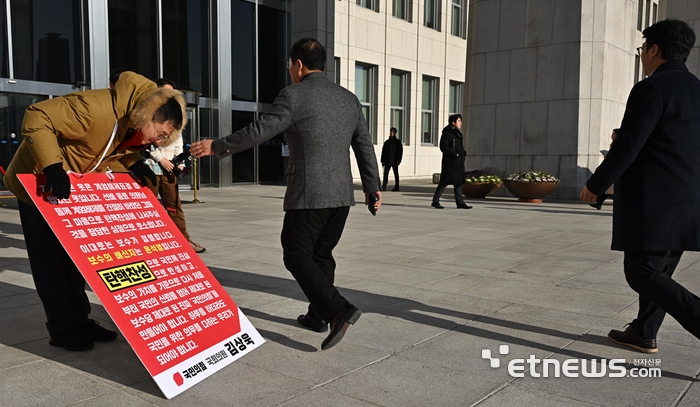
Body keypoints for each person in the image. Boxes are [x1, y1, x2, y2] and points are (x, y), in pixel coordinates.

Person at [190, 38, 382, 350]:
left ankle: (337, 310)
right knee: (321, 254)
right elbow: (364, 144)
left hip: (309, 192)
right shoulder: (349, 99)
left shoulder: (294, 95)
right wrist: (372, 186)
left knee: (295, 252)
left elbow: (259, 131)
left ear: (298, 65)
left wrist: (217, 145)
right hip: (342, 195)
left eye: (290, 66)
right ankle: (318, 316)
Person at [3, 71, 187, 351]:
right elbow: (37, 115)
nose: (158, 141)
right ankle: (61, 327)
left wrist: (134, 162)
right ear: (148, 116)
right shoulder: (96, 109)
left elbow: (107, 149)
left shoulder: (130, 121)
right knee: (49, 260)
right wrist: (52, 165)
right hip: (37, 184)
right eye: (159, 133)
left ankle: (81, 319)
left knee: (74, 258)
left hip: (70, 188)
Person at [580, 19, 700, 353]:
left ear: (654, 49)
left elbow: (629, 146)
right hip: (689, 200)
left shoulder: (652, 88)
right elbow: (672, 141)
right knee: (659, 272)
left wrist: (597, 185)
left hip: (656, 202)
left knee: (642, 273)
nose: (642, 57)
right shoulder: (696, 89)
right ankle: (643, 331)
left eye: (642, 49)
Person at [143, 78, 206, 253]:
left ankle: (184, 241)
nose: (169, 95)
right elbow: (145, 141)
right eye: (164, 91)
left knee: (174, 207)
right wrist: (160, 159)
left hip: (170, 169)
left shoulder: (176, 114)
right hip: (151, 167)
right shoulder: (148, 112)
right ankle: (149, 244)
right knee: (149, 208)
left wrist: (180, 162)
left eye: (172, 92)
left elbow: (178, 141)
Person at [431, 114, 471, 209]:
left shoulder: (458, 134)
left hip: (458, 163)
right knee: (444, 182)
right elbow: (443, 147)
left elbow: (459, 146)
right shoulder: (447, 134)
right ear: (453, 122)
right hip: (450, 163)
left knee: (458, 183)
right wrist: (455, 153)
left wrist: (463, 152)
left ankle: (460, 203)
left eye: (460, 121)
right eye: (459, 121)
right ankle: (435, 201)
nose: (460, 123)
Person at [589, 128, 618, 210]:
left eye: (613, 134)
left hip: (615, 171)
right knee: (608, 188)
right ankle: (599, 202)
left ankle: (599, 202)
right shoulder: (614, 144)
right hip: (612, 171)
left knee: (609, 188)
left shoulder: (618, 145)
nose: (611, 135)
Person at [380, 127, 403, 191]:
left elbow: (400, 152)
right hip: (387, 160)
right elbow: (383, 151)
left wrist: (399, 160)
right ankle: (384, 186)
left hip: (395, 161)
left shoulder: (398, 142)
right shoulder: (387, 142)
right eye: (391, 131)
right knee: (386, 174)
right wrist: (382, 160)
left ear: (395, 133)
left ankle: (397, 187)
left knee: (396, 174)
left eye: (392, 132)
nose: (391, 133)